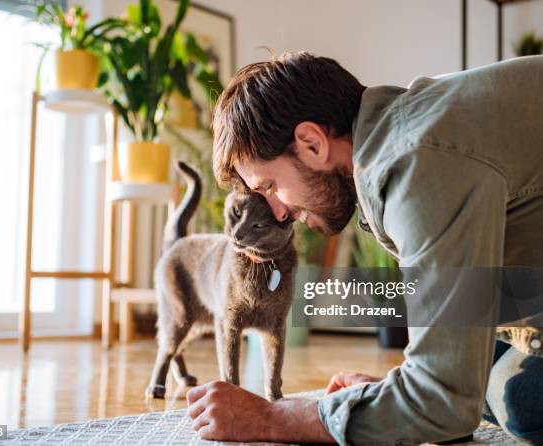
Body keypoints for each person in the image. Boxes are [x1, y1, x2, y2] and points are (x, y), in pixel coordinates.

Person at [185, 52, 543, 445]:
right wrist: (398, 392)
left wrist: (274, 417)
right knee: (471, 373)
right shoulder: (406, 128)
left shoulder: (415, 164)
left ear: (311, 143)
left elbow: (444, 406)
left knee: (519, 399)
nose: (278, 211)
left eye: (269, 186)